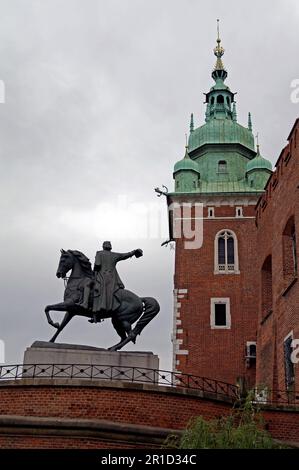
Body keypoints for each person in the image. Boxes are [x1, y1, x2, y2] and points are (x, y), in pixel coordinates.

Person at [87, 241, 142, 323]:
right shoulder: (114, 255)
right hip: (112, 278)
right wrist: (134, 252)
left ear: (103, 246)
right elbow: (125, 255)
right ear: (110, 247)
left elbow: (97, 265)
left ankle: (96, 312)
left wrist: (93, 273)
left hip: (102, 276)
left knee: (96, 290)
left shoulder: (99, 253)